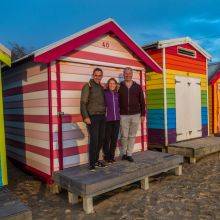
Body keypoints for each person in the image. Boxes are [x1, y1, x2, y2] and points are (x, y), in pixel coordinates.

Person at [80, 68, 107, 171]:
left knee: (101, 140)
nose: (97, 77)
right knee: (94, 140)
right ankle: (92, 163)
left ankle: (96, 160)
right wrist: (85, 116)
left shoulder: (101, 87)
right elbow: (83, 103)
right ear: (93, 75)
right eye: (96, 75)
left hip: (102, 116)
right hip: (92, 117)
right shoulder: (88, 86)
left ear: (101, 76)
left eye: (99, 75)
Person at [118, 67, 146, 162]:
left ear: (132, 75)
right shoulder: (119, 86)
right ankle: (124, 153)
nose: (128, 75)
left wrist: (143, 114)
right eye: (126, 73)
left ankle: (129, 154)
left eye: (129, 73)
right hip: (123, 115)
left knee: (132, 135)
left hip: (135, 114)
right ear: (123, 74)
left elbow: (142, 101)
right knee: (124, 136)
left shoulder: (137, 87)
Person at [103, 78, 120, 163]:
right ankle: (106, 156)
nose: (112, 85)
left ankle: (112, 156)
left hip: (117, 120)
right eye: (110, 83)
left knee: (114, 139)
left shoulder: (117, 94)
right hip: (108, 120)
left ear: (116, 85)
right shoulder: (105, 93)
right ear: (108, 84)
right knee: (107, 139)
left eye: (113, 83)